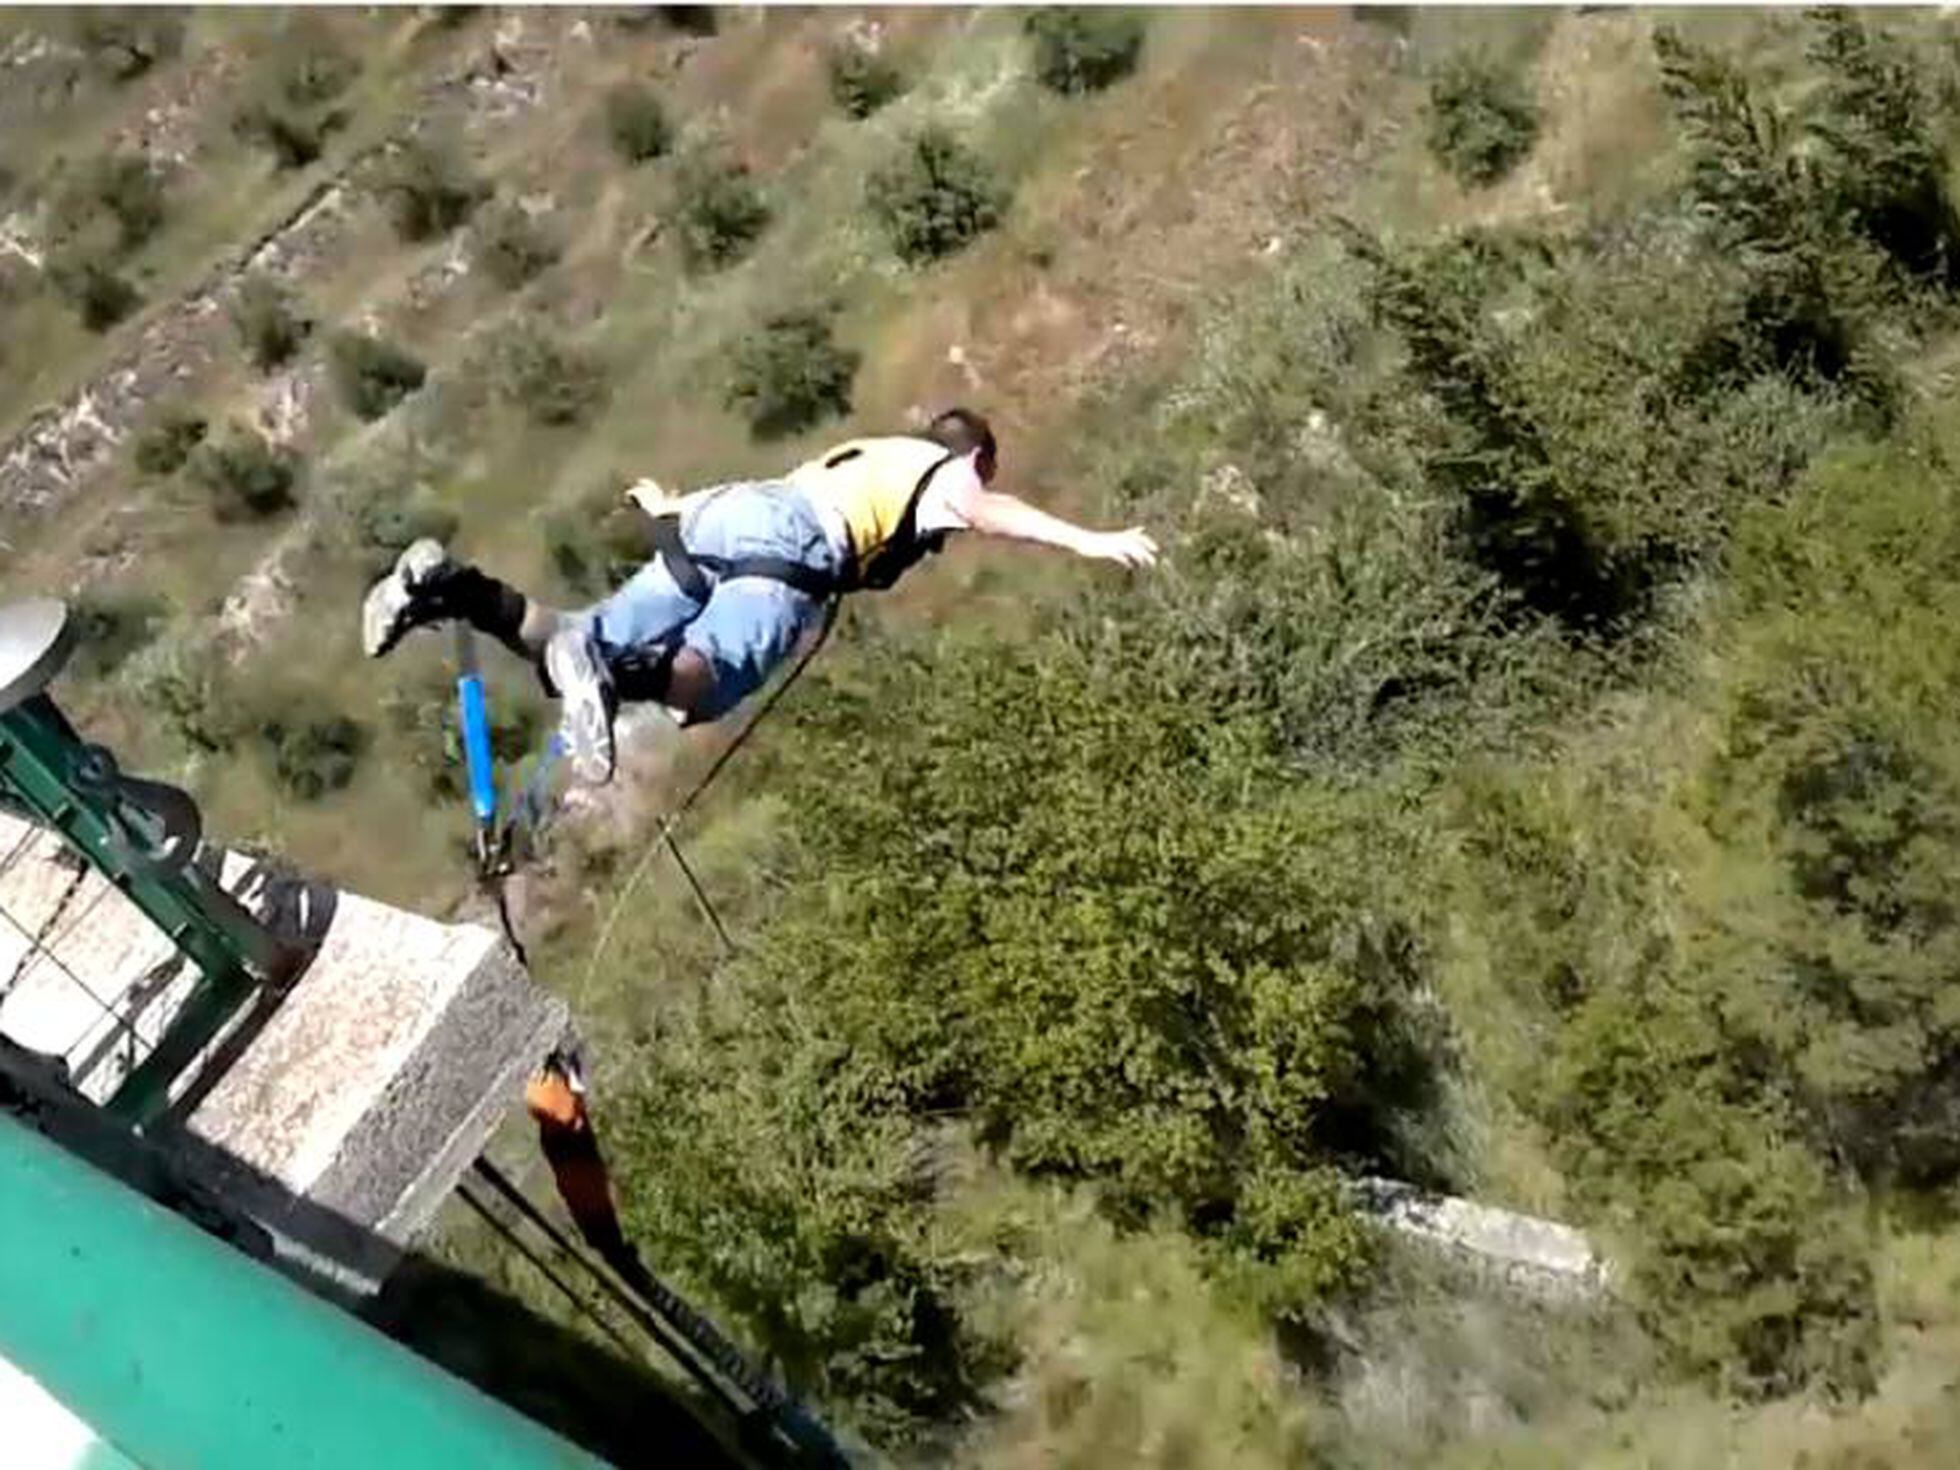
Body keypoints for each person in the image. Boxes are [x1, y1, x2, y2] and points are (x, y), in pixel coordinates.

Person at [361, 408, 1159, 784]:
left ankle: (454, 586)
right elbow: (992, 511)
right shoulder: (948, 471)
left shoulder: (865, 452)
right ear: (976, 452)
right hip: (792, 552)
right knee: (702, 685)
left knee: (574, 640)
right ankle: (617, 678)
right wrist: (1091, 540)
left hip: (728, 511)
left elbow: (747, 507)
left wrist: (667, 505)